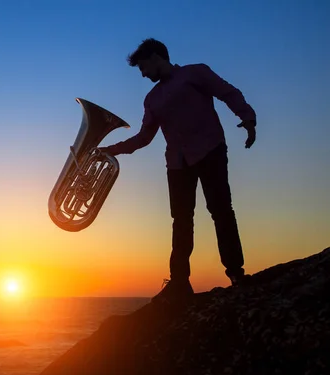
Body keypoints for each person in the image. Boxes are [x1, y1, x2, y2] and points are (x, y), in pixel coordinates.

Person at [99, 38, 256, 304]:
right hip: (177, 164)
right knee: (181, 221)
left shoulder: (195, 73)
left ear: (157, 57)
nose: (143, 74)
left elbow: (227, 92)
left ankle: (236, 273)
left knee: (221, 211)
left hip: (211, 150)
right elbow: (143, 138)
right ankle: (180, 283)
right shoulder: (151, 99)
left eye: (144, 67)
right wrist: (110, 150)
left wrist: (247, 117)